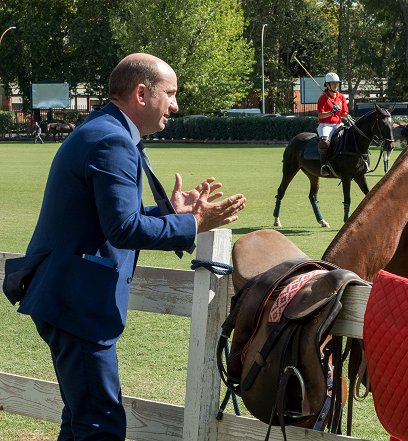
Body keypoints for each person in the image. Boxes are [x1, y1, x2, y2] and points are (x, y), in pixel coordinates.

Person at [9, 53, 246, 440]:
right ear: (141, 93)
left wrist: (171, 211)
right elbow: (122, 229)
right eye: (170, 93)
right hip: (77, 304)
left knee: (82, 420)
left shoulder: (105, 131)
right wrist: (194, 223)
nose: (175, 104)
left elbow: (108, 217)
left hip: (69, 297)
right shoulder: (112, 140)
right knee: (100, 425)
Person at [316, 72, 348, 177]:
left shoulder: (341, 97)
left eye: (336, 83)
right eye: (333, 83)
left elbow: (344, 113)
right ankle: (324, 165)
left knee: (351, 136)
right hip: (326, 125)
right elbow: (320, 116)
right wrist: (331, 112)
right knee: (325, 143)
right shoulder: (322, 98)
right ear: (327, 85)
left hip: (338, 124)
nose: (335, 85)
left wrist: (345, 115)